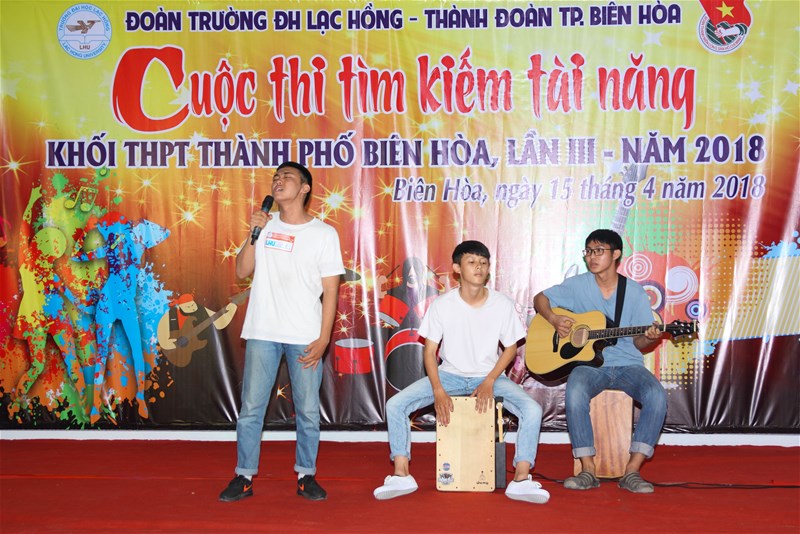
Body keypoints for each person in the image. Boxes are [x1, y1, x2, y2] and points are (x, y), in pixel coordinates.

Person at [373, 240, 550, 504]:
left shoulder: (501, 304)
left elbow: (511, 348)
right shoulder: (442, 304)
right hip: (449, 375)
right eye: (472, 262)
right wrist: (437, 390)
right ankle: (401, 474)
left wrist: (489, 380)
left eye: (483, 263)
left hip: (489, 376)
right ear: (457, 268)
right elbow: (429, 351)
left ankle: (521, 479)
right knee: (395, 405)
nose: (479, 267)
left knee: (532, 409)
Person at [219, 162, 344, 502]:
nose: (278, 181)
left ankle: (306, 475)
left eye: (287, 177)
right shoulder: (264, 224)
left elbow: (331, 290)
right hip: (263, 330)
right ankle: (244, 476)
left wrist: (324, 338)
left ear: (304, 188)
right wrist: (254, 232)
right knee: (251, 409)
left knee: (307, 410)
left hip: (305, 334)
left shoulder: (324, 234)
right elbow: (242, 269)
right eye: (275, 177)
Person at [533, 229, 667, 494]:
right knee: (575, 390)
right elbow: (540, 299)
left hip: (628, 364)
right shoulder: (577, 285)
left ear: (616, 254)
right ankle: (587, 469)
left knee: (657, 395)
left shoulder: (634, 292)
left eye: (598, 251)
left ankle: (632, 471)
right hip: (590, 366)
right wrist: (553, 319)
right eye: (588, 251)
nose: (591, 257)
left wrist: (649, 337)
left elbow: (640, 343)